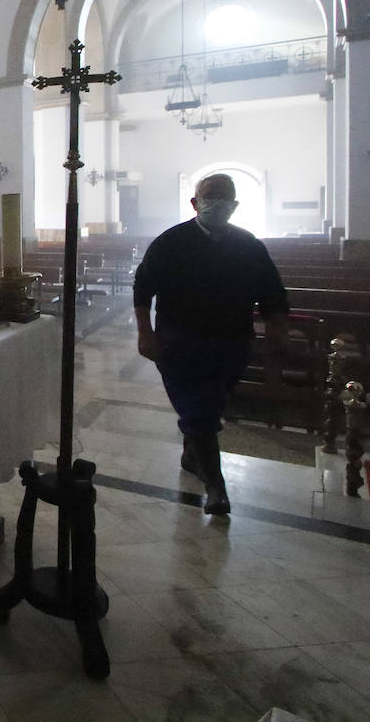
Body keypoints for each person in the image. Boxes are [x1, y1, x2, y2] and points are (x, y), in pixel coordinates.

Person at [133, 173, 289, 515]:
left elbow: (272, 293)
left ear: (235, 205)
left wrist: (276, 329)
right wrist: (145, 332)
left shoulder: (249, 245)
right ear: (194, 202)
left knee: (211, 403)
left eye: (225, 197)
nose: (217, 202)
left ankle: (192, 456)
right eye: (210, 196)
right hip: (180, 341)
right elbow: (143, 288)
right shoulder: (170, 242)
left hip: (232, 341)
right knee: (198, 408)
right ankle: (216, 487)